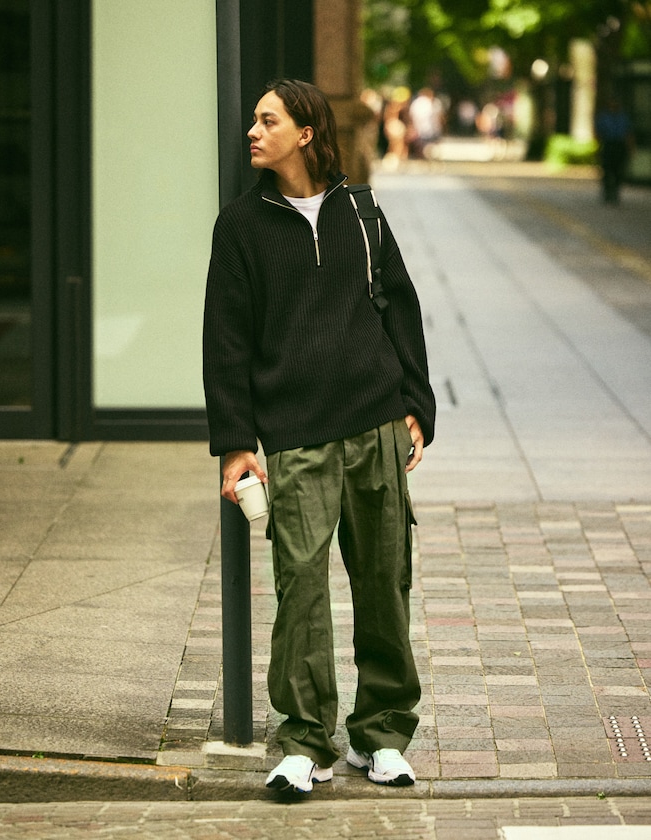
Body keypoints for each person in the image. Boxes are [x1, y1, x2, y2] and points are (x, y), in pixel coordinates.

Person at [203, 79, 436, 794]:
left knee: (384, 584)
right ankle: (305, 743)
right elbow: (226, 339)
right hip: (296, 434)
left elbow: (399, 305)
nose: (252, 131)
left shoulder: (360, 210)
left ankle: (382, 735)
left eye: (267, 120)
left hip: (374, 422)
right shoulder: (240, 226)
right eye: (253, 121)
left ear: (305, 133)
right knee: (300, 586)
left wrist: (416, 405)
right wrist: (236, 441)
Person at [595, 96, 634, 204]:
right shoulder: (604, 117)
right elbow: (598, 133)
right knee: (607, 170)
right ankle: (607, 192)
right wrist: (598, 147)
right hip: (608, 145)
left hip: (620, 146)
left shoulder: (623, 118)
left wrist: (631, 148)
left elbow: (629, 134)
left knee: (618, 171)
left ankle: (615, 192)